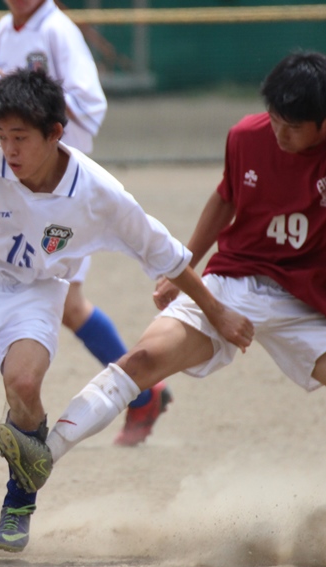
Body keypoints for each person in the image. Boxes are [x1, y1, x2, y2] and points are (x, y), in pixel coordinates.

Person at [0, 69, 249, 558]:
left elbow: (165, 253)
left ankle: (19, 501)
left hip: (34, 292)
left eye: (20, 138)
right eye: (2, 136)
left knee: (23, 384)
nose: (9, 149)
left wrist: (216, 311)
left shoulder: (97, 192)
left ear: (55, 133)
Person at [0, 0, 171, 447]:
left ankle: (144, 392)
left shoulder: (57, 29)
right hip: (18, 187)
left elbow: (89, 103)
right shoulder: (4, 28)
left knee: (69, 305)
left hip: (58, 196)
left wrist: (38, 123)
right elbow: (13, 96)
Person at [46, 50, 326, 466]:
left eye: (295, 127)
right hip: (237, 279)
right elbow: (226, 197)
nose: (281, 134)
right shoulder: (246, 137)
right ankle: (44, 452)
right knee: (142, 359)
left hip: (307, 297)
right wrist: (185, 267)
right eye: (275, 120)